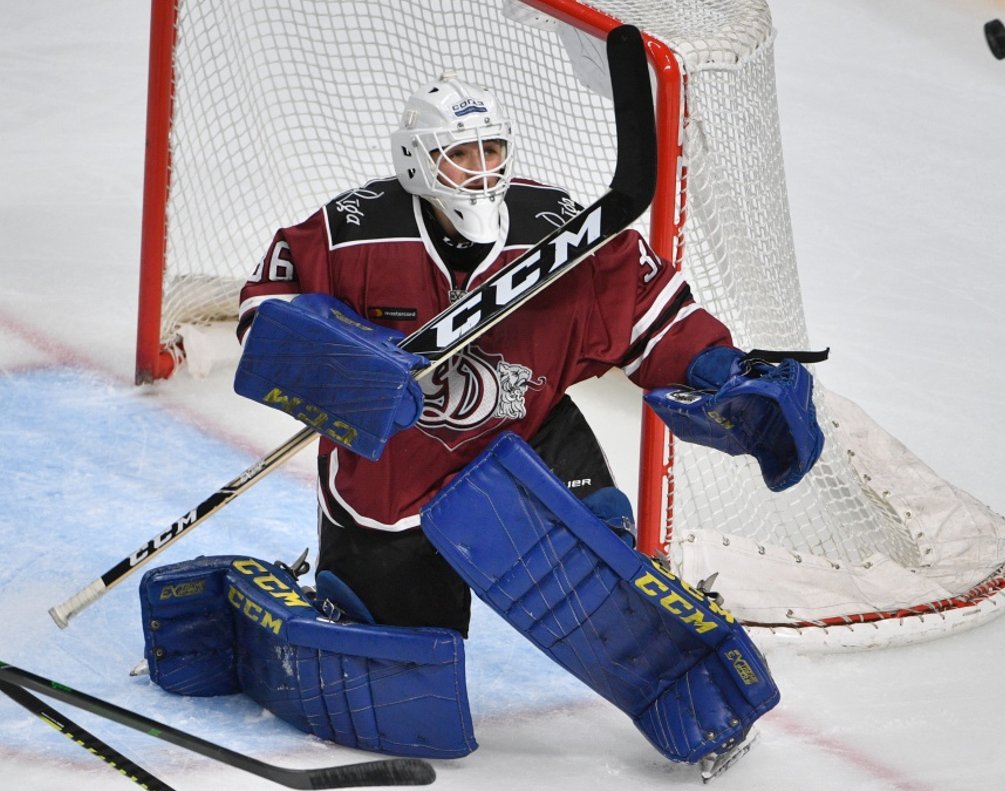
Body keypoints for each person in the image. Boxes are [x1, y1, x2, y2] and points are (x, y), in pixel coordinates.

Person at [236, 71, 737, 637]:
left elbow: (645, 304)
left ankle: (678, 655)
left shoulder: (556, 227)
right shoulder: (351, 230)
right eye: (459, 153)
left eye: (491, 149)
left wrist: (716, 364)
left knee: (607, 571)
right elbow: (267, 314)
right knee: (397, 661)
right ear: (416, 159)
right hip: (394, 468)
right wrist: (352, 368)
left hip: (526, 434)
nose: (481, 168)